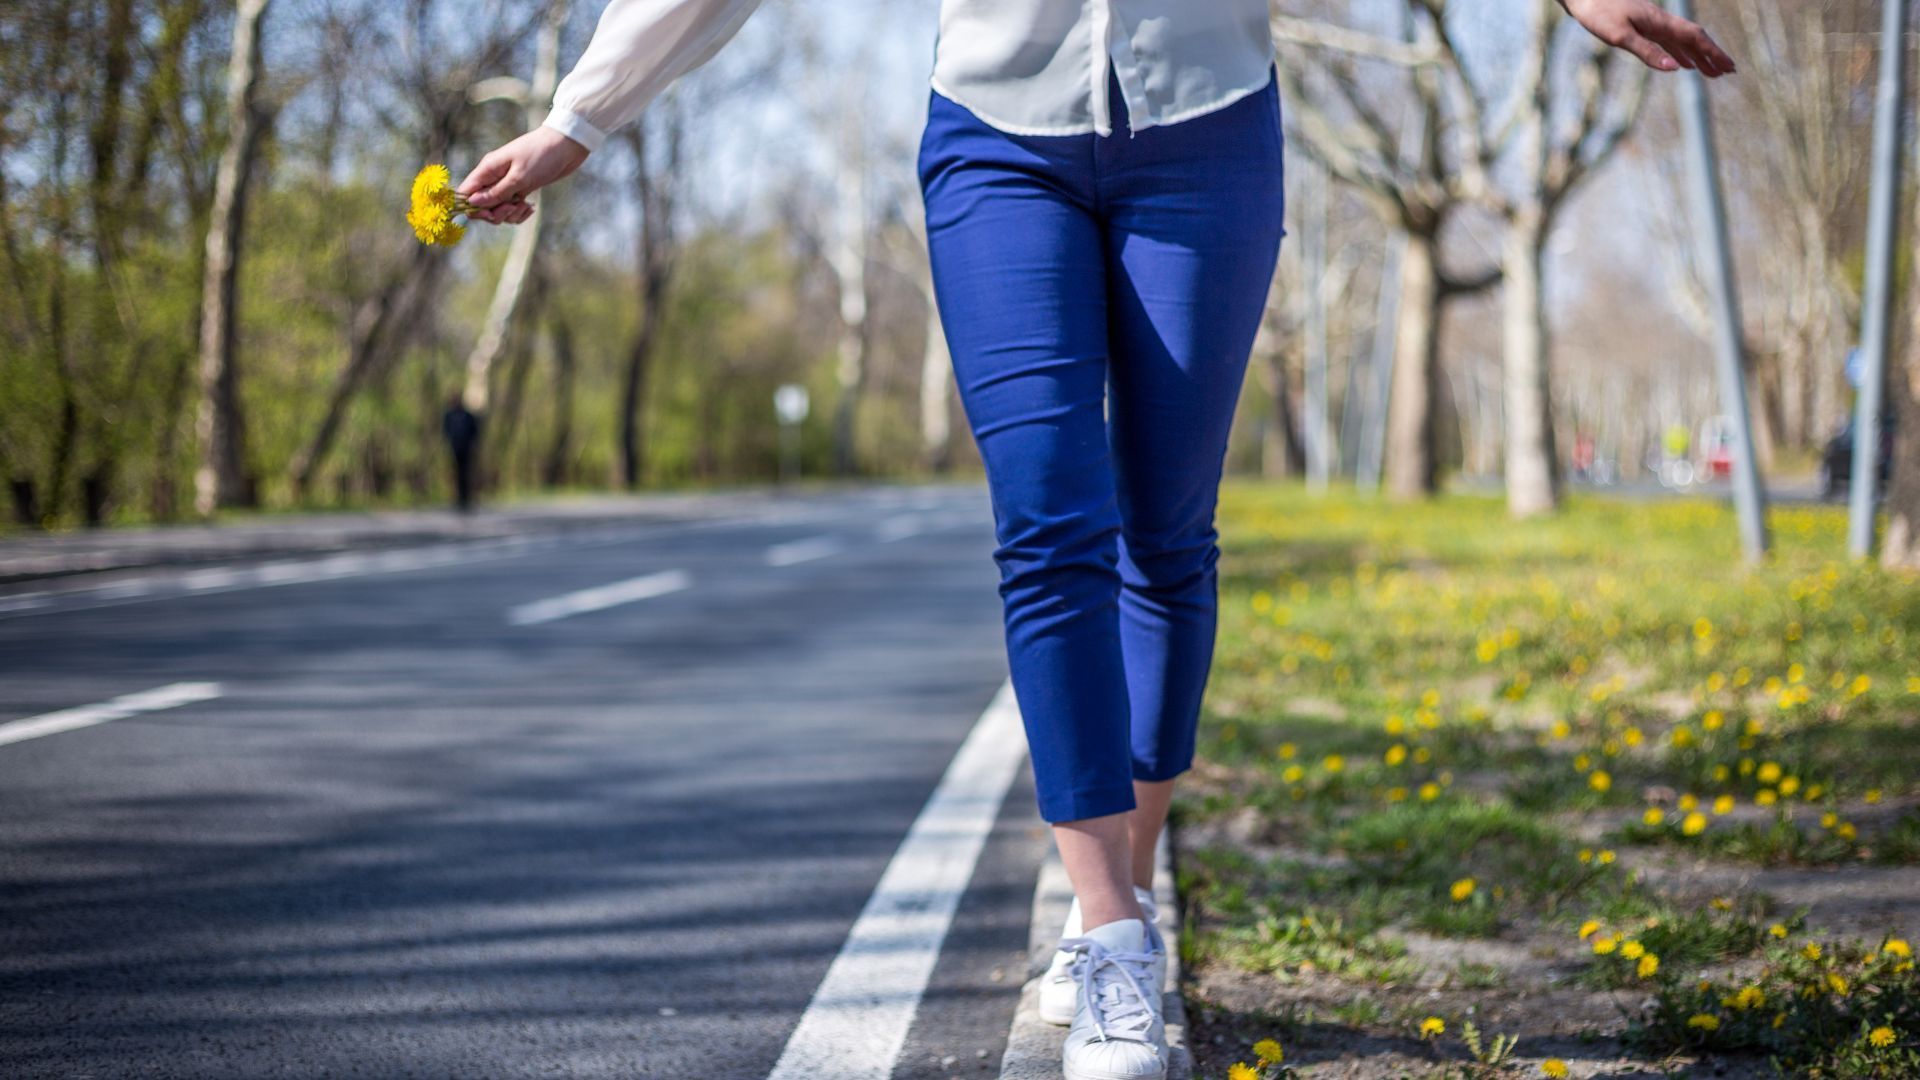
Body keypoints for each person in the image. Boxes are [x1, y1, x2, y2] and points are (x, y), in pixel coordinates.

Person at [458, 3, 1735, 1076]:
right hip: (996, 145)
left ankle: (1118, 881)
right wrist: (582, 113)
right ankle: (1115, 932)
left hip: (1209, 133)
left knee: (1166, 529)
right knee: (1051, 518)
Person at [442, 394, 482, 513]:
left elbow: (475, 430)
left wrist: (473, 444)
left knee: (467, 473)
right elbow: (446, 430)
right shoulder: (449, 416)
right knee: (456, 473)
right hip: (454, 448)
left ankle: (467, 498)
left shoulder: (468, 416)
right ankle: (458, 498)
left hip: (467, 449)